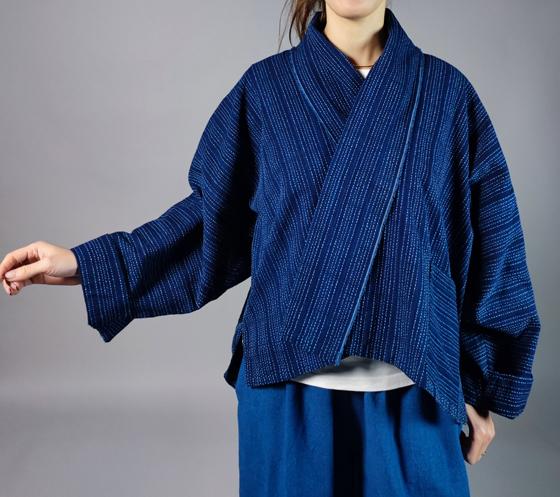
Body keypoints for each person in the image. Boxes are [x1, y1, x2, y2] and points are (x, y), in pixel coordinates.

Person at [1, 0, 541, 495]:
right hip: (288, 397)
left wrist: (483, 385)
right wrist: (84, 264)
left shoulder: (447, 96)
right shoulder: (265, 92)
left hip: (414, 393)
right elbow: (208, 226)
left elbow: (494, 248)